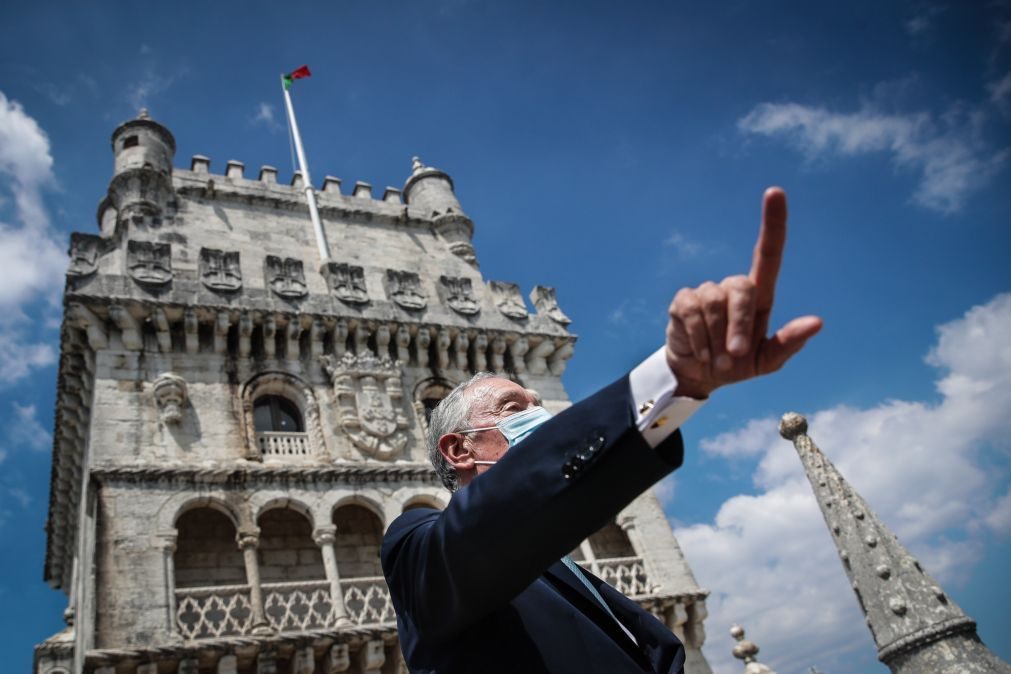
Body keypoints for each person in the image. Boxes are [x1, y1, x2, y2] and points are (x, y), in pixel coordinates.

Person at [381, 188, 822, 673]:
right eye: (513, 408)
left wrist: (684, 386)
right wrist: (666, 377)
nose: (541, 417)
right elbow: (488, 526)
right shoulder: (420, 550)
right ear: (460, 449)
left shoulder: (571, 574)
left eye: (537, 402)